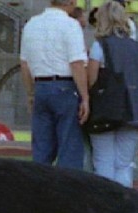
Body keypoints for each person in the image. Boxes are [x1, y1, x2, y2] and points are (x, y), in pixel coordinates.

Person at [86, 0, 138, 187]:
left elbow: (92, 79)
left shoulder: (100, 46)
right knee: (124, 164)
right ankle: (124, 205)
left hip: (105, 109)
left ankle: (106, 207)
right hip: (134, 109)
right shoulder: (137, 48)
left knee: (103, 160)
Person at [20, 0, 89, 170]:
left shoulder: (31, 24)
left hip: (41, 86)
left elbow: (24, 64)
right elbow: (76, 63)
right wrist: (85, 97)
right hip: (65, 86)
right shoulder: (70, 25)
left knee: (41, 149)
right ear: (71, 2)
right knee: (69, 147)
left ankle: (39, 192)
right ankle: (67, 193)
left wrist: (30, 93)